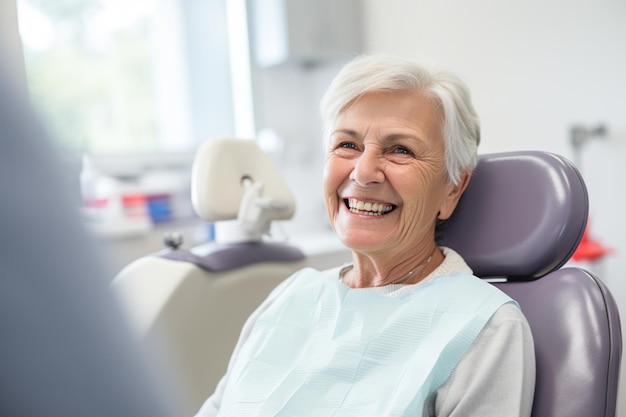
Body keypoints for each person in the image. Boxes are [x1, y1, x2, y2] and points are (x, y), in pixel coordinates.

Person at [194, 54, 535, 416]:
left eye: (400, 150)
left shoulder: (485, 328)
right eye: (347, 145)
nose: (363, 172)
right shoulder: (290, 298)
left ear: (452, 187)